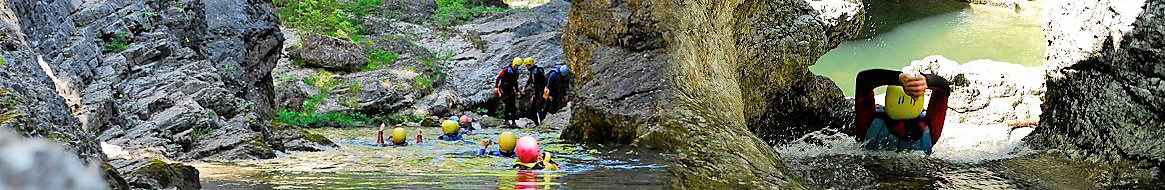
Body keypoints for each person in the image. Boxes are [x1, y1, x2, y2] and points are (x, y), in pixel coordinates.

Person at [854, 69, 951, 154]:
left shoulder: (868, 124)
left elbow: (863, 79)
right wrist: (926, 81)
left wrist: (898, 78)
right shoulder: (929, 130)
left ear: (888, 98)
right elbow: (944, 89)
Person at [495, 57, 523, 127]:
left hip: (511, 89)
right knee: (507, 105)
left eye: (518, 66)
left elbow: (515, 82)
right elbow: (499, 78)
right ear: (513, 64)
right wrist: (496, 87)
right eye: (516, 65)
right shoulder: (506, 70)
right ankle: (506, 121)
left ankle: (513, 122)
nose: (517, 67)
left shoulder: (516, 72)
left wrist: (517, 91)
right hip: (504, 88)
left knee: (513, 106)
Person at [521, 57, 548, 125]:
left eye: (527, 66)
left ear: (530, 64)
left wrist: (545, 88)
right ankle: (537, 123)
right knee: (533, 108)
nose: (526, 67)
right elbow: (530, 80)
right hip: (536, 91)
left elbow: (545, 80)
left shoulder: (538, 70)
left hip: (541, 91)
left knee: (539, 107)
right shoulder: (532, 71)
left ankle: (541, 122)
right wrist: (525, 87)